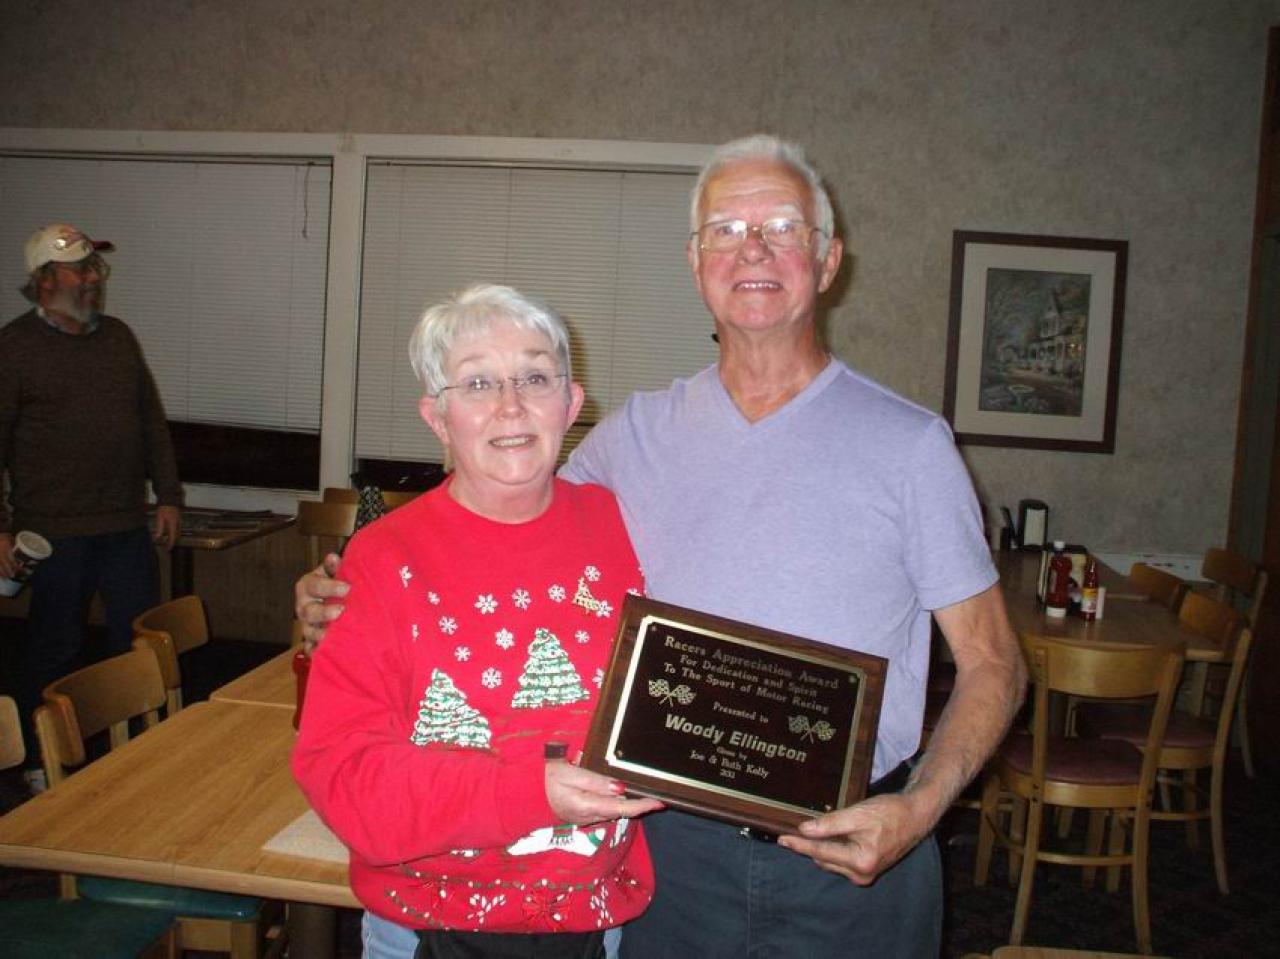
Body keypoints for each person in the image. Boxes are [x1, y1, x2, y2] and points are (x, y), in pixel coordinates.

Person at [297, 136, 1026, 957]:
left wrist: (921, 808)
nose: (753, 248)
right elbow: (500, 509)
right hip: (670, 861)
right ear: (695, 261)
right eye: (727, 229)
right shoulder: (630, 438)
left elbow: (995, 662)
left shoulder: (912, 445)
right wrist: (347, 590)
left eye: (782, 227)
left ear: (828, 261)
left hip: (853, 859)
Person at [291, 284, 662, 959]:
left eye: (535, 377)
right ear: (438, 417)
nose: (511, 405)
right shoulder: (384, 559)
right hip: (425, 931)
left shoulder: (624, 528)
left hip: (596, 926)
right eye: (478, 383)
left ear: (571, 403)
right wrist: (529, 792)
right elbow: (342, 774)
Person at [0, 223, 182, 792]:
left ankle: (141, 757)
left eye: (94, 268)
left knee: (139, 645)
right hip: (54, 532)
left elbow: (151, 423)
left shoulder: (119, 338)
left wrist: (168, 496)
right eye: (79, 269)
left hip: (124, 524)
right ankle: (41, 762)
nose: (92, 279)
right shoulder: (14, 348)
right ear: (44, 281)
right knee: (54, 649)